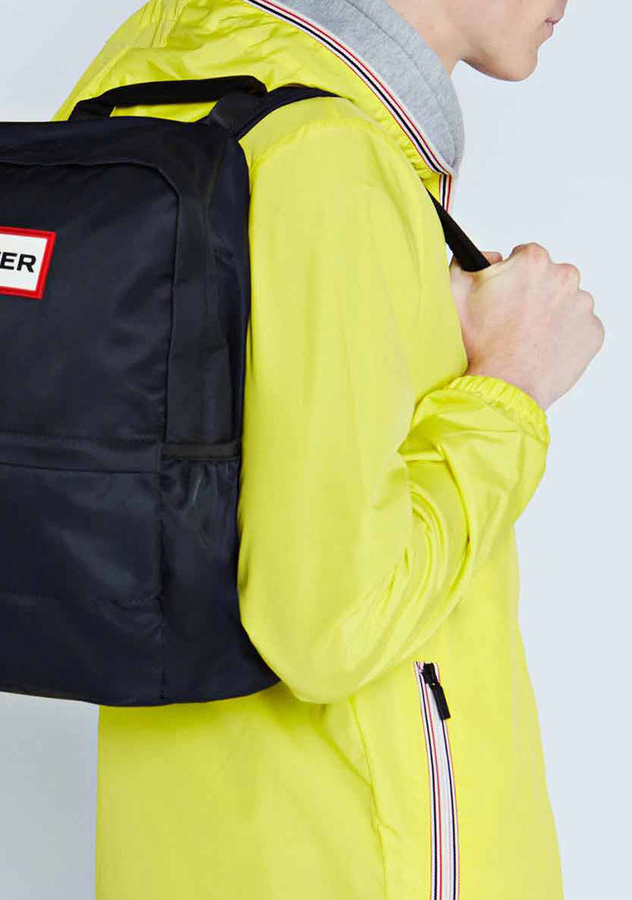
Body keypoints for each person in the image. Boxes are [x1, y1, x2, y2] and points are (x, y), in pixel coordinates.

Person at [52, 1, 602, 898]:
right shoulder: (328, 153)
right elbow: (331, 627)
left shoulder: (145, 84)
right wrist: (511, 385)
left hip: (184, 840)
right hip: (368, 847)